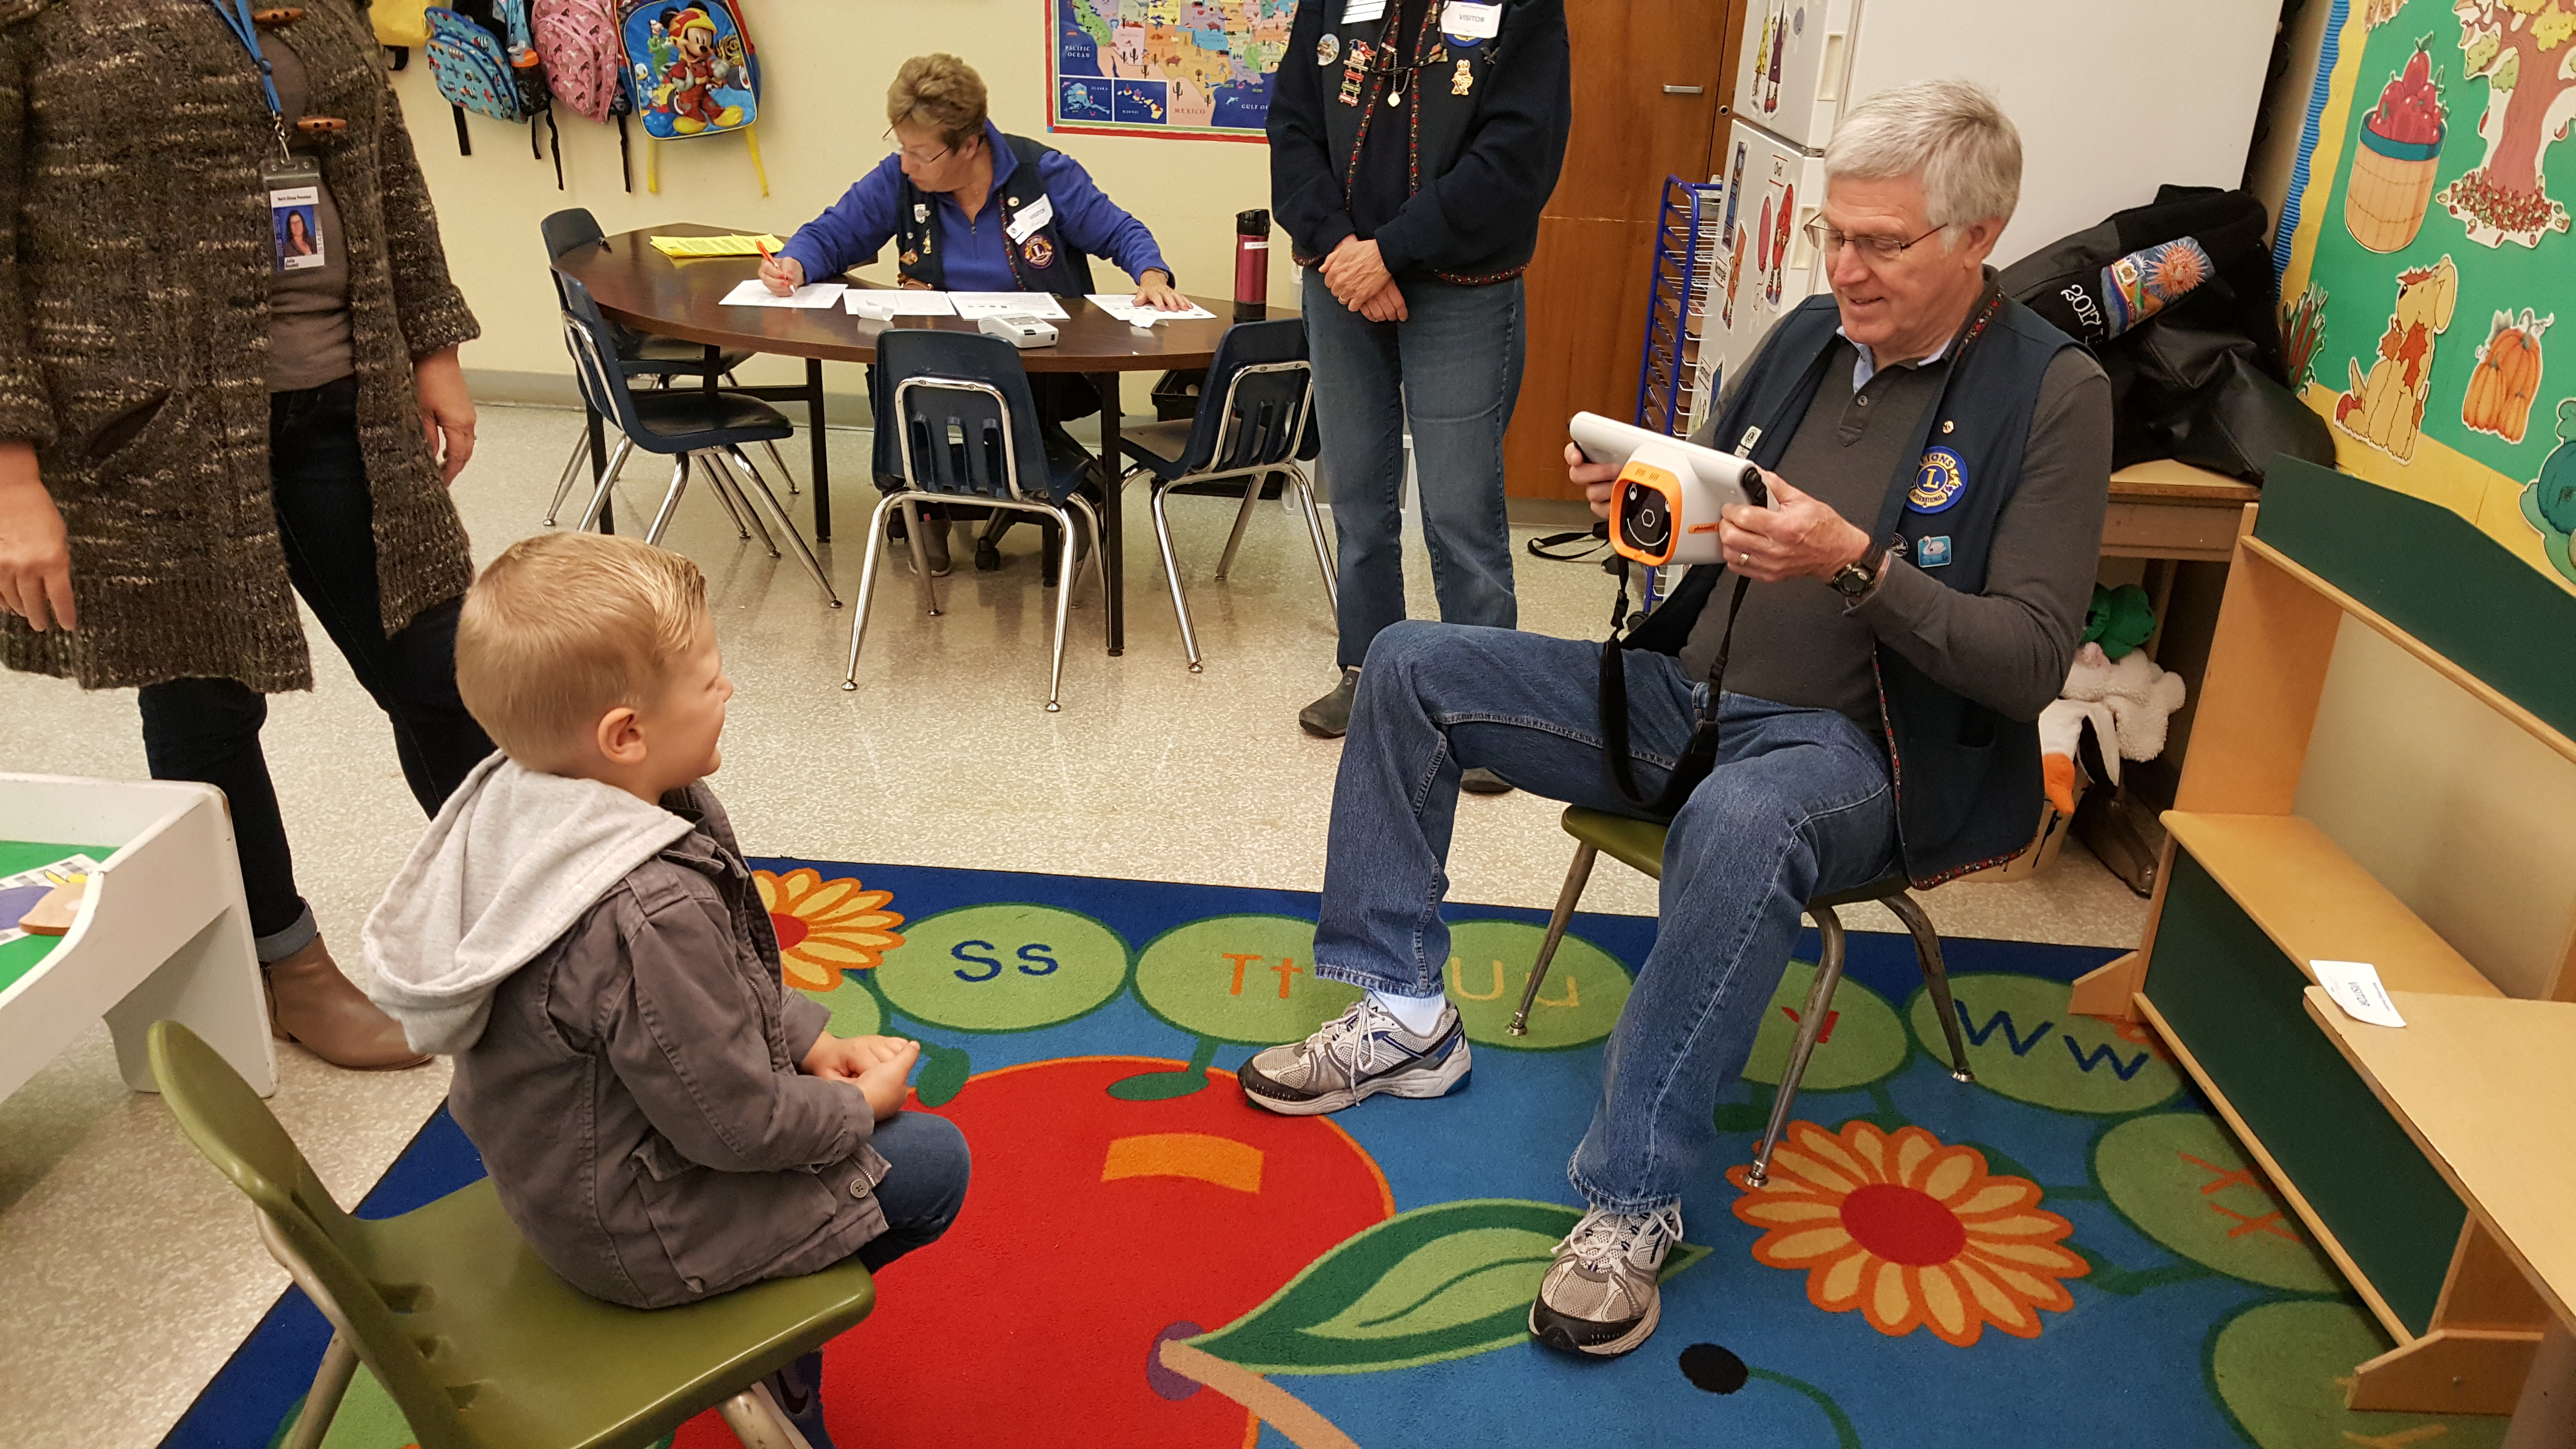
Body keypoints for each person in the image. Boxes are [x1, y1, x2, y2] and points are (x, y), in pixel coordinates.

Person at [1237, 81, 2111, 1359]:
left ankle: (1629, 1198)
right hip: (1681, 696)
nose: (1846, 269)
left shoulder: (2054, 391)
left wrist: (1855, 561)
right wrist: (1637, 491)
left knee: (1746, 817)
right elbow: (1709, 514)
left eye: (1882, 243)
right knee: (1410, 662)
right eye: (1835, 234)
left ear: (1979, 239)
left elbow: (2029, 655)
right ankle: (1406, 1012)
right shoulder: (1810, 333)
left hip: (1856, 752)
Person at [364, 533, 970, 1449]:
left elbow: (710, 989)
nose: (727, 691)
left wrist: (805, 1037)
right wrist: (852, 1102)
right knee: (934, 1161)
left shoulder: (548, 795)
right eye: (708, 679)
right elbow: (738, 1127)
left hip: (557, 1174)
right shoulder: (648, 906)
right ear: (625, 733)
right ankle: (769, 1360)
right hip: (635, 1231)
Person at [0, 0, 488, 1071]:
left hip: (345, 401)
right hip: (149, 425)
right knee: (206, 698)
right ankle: (282, 964)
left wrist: (431, 342)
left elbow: (385, 163)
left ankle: (530, 917)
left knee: (443, 664)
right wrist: (11, 470)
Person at [1269, 0, 1570, 759]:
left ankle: (1485, 697)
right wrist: (1344, 249)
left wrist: (1392, 250)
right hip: (1340, 279)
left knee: (1460, 507)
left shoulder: (1524, 7)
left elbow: (1517, 158)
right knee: (1360, 497)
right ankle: (1367, 668)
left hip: (1460, 281)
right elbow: (1292, 126)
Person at [760, 53, 1184, 575]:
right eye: (902, 150)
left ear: (969, 143)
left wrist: (1151, 276)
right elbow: (832, 232)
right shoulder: (901, 180)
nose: (907, 165)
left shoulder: (1043, 175)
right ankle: (928, 504)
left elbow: (1121, 232)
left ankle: (1050, 486)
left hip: (1038, 367)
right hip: (936, 362)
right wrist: (794, 264)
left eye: (921, 153)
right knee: (891, 364)